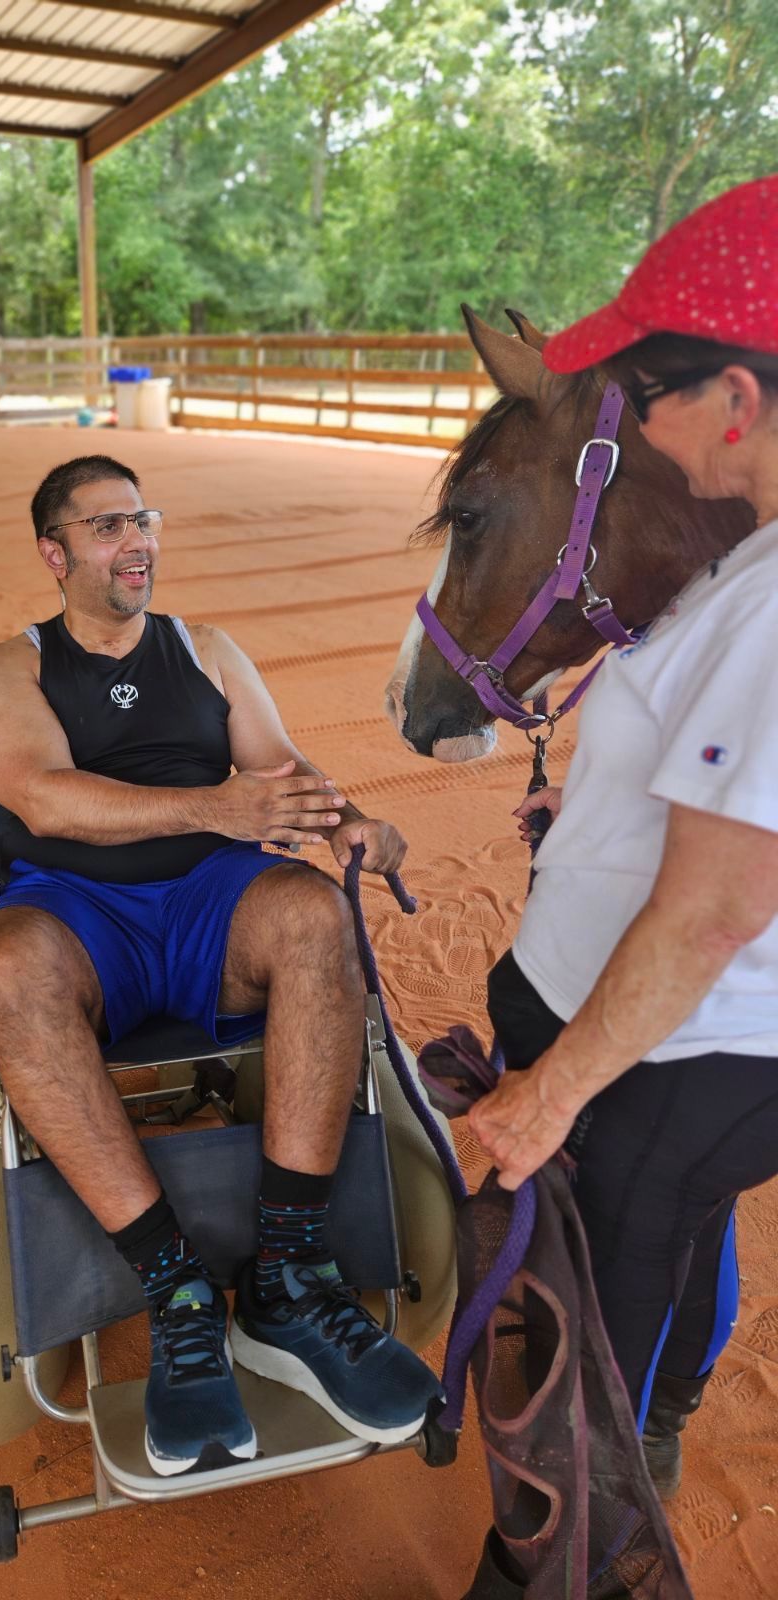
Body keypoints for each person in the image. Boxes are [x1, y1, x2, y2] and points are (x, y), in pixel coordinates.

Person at [0, 454, 441, 1476]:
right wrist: (214, 805)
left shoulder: (207, 650)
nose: (135, 541)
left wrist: (349, 822)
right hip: (79, 913)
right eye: (105, 527)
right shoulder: (12, 670)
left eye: (143, 520)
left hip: (210, 905)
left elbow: (279, 771)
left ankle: (288, 1280)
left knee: (313, 914)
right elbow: (41, 798)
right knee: (3, 967)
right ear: (54, 554)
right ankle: (176, 1286)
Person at [466, 175, 778, 1594]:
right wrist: (591, 815)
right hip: (674, 1047)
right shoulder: (744, 557)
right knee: (653, 1268)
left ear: (736, 398)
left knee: (606, 1344)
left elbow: (717, 908)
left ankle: (583, 1560)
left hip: (682, 1054)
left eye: (645, 391)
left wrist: (548, 1093)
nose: (632, 424)